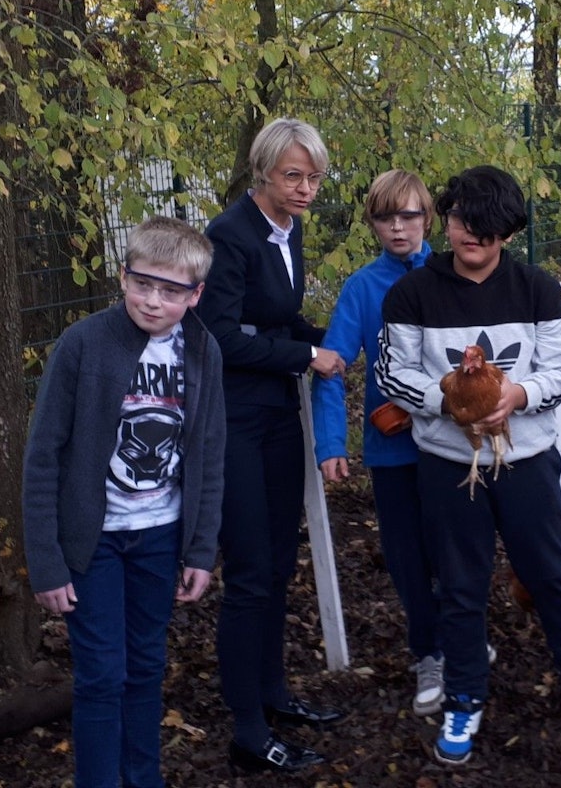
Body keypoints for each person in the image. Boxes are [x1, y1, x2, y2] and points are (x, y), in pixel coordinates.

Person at [376, 164, 561, 765]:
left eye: (488, 229)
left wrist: (517, 397)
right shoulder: (411, 292)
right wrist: (451, 404)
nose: (473, 236)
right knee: (460, 586)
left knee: (550, 576)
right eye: (464, 221)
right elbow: (392, 372)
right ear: (450, 218)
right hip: (447, 462)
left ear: (508, 233)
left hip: (527, 459)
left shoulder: (537, 287)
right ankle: (465, 695)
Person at [21, 216, 226, 788]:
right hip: (95, 544)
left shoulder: (203, 351)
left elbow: (209, 455)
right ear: (122, 276)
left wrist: (201, 549)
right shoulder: (83, 344)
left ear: (195, 294)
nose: (153, 301)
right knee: (101, 676)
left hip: (161, 538)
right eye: (142, 284)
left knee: (145, 669)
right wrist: (47, 560)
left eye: (171, 291)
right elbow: (42, 457)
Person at [198, 118, 349, 774]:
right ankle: (248, 729)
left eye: (314, 176)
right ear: (264, 170)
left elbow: (282, 318)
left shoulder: (292, 230)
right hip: (234, 420)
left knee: (281, 565)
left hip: (279, 413)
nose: (306, 188)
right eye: (294, 175)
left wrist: (329, 338)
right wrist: (308, 353)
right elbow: (221, 337)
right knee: (252, 575)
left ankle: (275, 693)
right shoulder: (228, 236)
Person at [310, 169, 445, 715]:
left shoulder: (454, 272)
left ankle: (459, 638)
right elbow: (332, 366)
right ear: (372, 223)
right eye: (385, 217)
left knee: (456, 548)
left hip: (457, 446)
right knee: (408, 555)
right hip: (393, 448)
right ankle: (429, 654)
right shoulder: (363, 287)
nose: (398, 227)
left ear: (427, 219)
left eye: (409, 215)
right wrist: (330, 442)